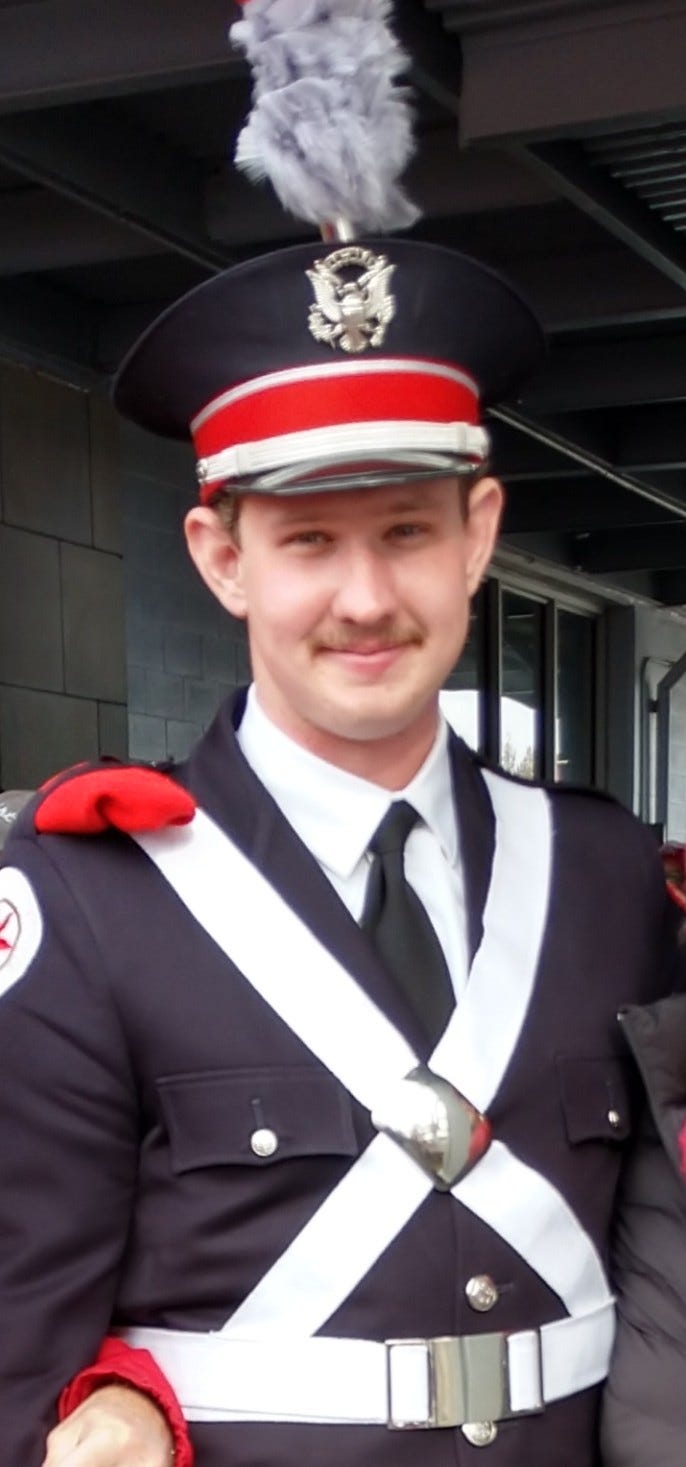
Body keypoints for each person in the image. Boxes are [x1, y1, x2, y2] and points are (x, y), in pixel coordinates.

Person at [0, 233, 681, 1467]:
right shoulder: (82, 894)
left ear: (479, 535)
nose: (365, 599)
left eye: (408, 532)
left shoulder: (606, 876)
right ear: (222, 559)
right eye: (309, 541)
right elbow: (16, 1351)